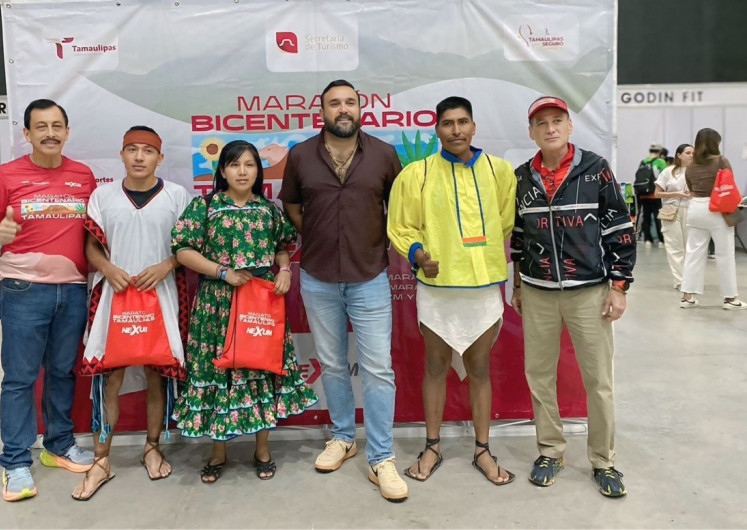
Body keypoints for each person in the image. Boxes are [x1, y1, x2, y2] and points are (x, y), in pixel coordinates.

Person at [280, 79, 408, 502]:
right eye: (334, 103)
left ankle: (381, 456)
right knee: (333, 363)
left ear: (360, 108)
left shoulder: (385, 156)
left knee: (377, 368)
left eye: (350, 102)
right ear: (321, 112)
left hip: (369, 274)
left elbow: (400, 208)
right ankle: (341, 436)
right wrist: (322, 237)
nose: (343, 109)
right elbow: (294, 208)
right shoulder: (300, 156)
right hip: (317, 275)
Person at [510, 96, 636, 498]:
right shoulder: (521, 178)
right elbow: (517, 239)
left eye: (557, 120)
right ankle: (550, 451)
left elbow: (620, 229)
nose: (550, 128)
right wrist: (517, 285)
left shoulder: (595, 169)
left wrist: (619, 286)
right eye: (541, 123)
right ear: (531, 132)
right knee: (539, 376)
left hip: (590, 292)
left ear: (569, 127)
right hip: (538, 293)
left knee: (598, 380)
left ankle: (604, 460)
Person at [387, 96, 516, 485]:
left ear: (474, 126)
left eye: (463, 122)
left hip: (482, 288)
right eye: (447, 123)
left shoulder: (500, 171)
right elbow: (400, 224)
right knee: (435, 368)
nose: (456, 130)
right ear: (436, 129)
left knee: (480, 369)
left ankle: (482, 450)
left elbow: (505, 223)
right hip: (437, 286)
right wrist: (418, 254)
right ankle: (431, 446)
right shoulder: (417, 174)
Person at [171, 140, 318, 482]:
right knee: (220, 374)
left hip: (260, 305)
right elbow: (182, 250)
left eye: (250, 165)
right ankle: (218, 451)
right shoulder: (205, 206)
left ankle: (262, 449)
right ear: (222, 170)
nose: (242, 171)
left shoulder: (268, 210)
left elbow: (283, 247)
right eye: (235, 165)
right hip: (217, 306)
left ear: (258, 171)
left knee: (262, 370)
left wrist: (284, 271)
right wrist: (222, 272)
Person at [0, 99, 96, 502]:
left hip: (73, 289)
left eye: (57, 125)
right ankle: (14, 461)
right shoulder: (6, 175)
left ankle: (58, 445)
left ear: (67, 131)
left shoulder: (83, 175)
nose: (50, 133)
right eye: (40, 126)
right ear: (26, 134)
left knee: (62, 373)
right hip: (23, 289)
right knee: (20, 378)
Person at [70, 126, 192, 500]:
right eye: (132, 150)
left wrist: (167, 265)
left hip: (162, 296)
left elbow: (188, 247)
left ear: (160, 158)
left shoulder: (177, 196)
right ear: (122, 155)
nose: (140, 157)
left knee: (157, 377)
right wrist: (107, 269)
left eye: (148, 151)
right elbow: (92, 247)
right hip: (113, 296)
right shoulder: (102, 196)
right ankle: (102, 460)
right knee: (109, 379)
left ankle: (152, 447)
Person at [679, 128, 746, 310]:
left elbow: (691, 188)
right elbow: (730, 184)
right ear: (714, 143)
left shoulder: (691, 166)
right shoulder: (721, 161)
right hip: (717, 209)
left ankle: (687, 297)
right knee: (724, 254)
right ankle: (731, 298)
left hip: (695, 208)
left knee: (693, 253)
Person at [654, 144, 693, 289]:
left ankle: (690, 279)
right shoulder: (668, 171)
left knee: (690, 247)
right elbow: (657, 193)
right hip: (671, 211)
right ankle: (680, 280)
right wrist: (677, 194)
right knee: (675, 247)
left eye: (693, 153)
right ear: (679, 155)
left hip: (691, 210)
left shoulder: (696, 172)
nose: (691, 155)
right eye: (688, 153)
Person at [636, 144, 667, 247]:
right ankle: (661, 240)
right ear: (659, 152)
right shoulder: (660, 162)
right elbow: (665, 176)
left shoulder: (643, 162)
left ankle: (647, 240)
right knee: (658, 217)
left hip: (643, 194)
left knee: (646, 216)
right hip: (655, 194)